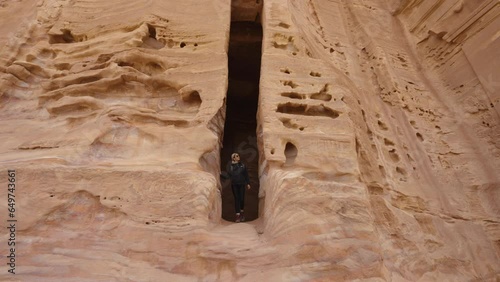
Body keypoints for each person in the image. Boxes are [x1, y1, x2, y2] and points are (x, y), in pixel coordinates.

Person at [221, 153, 251, 222]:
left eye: (238, 156)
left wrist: (248, 183)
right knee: (237, 199)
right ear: (233, 158)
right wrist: (221, 174)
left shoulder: (242, 165)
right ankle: (237, 215)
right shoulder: (230, 166)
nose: (238, 157)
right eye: (236, 156)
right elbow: (228, 175)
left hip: (242, 184)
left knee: (242, 199)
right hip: (234, 184)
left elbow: (246, 174)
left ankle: (242, 213)